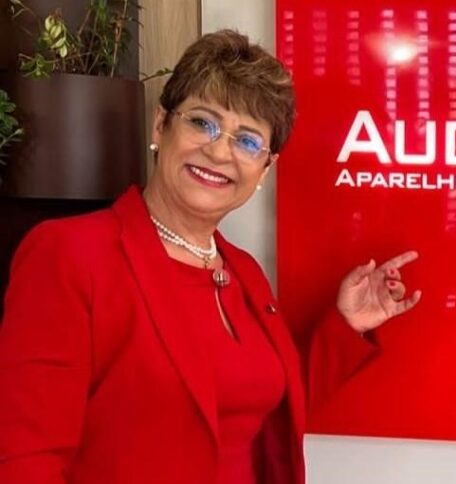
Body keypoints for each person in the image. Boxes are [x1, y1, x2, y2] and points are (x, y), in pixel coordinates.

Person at [0, 30, 421, 484]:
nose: (219, 151)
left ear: (265, 167)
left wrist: (346, 326)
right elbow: (26, 458)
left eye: (247, 141)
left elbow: (258, 415)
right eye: (203, 123)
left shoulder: (243, 271)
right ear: (161, 125)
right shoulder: (70, 254)